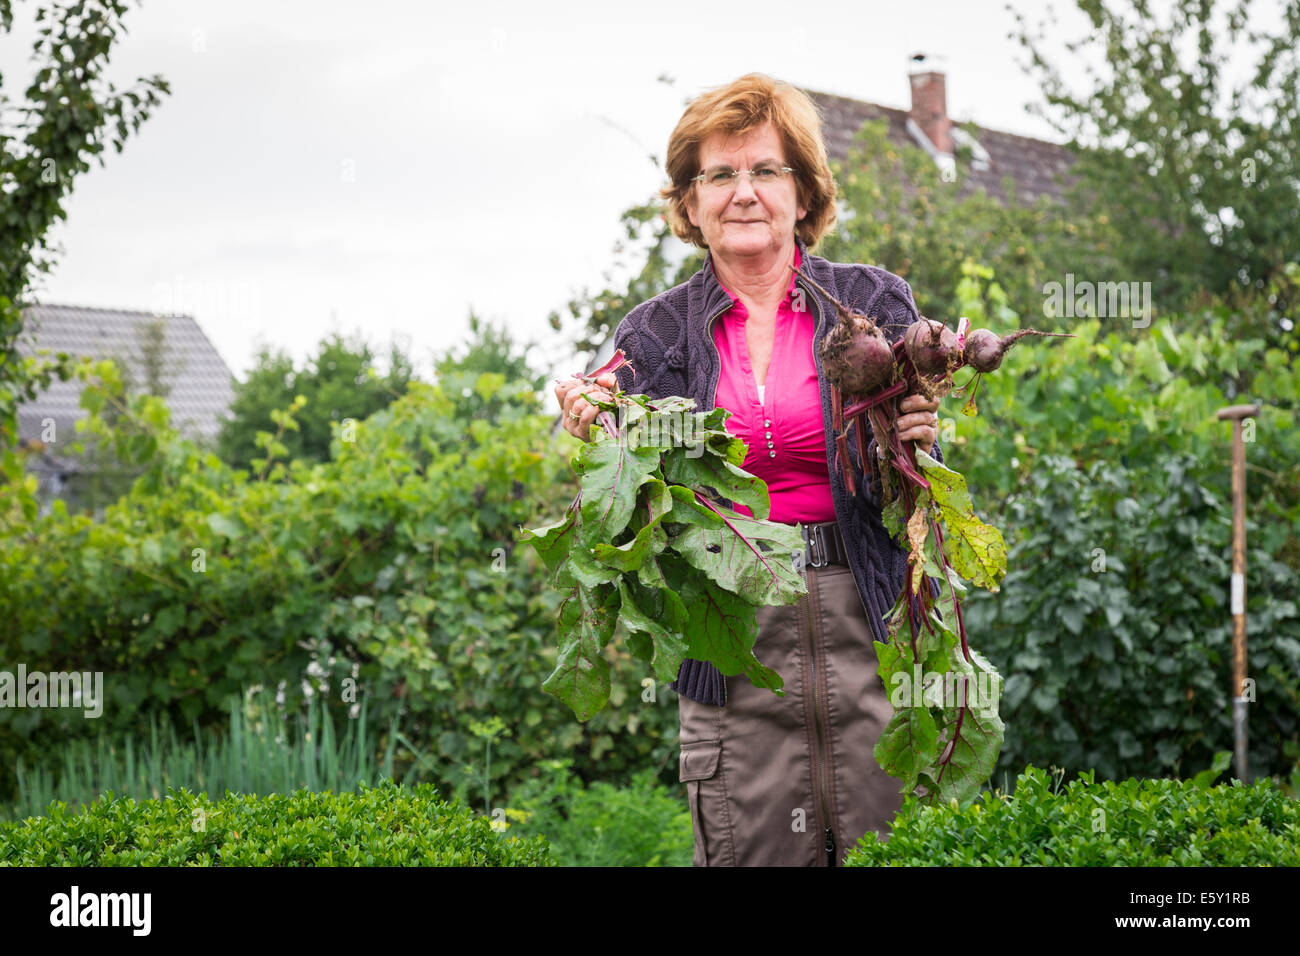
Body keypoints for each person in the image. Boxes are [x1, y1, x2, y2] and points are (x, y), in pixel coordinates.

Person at [553, 73, 943, 867]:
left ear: (804, 192)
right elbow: (613, 451)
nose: (743, 192)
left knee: (898, 851)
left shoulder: (873, 303)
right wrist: (595, 424)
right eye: (719, 174)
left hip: (867, 626)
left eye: (765, 170)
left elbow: (919, 470)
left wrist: (919, 433)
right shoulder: (655, 333)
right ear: (689, 203)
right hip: (733, 645)